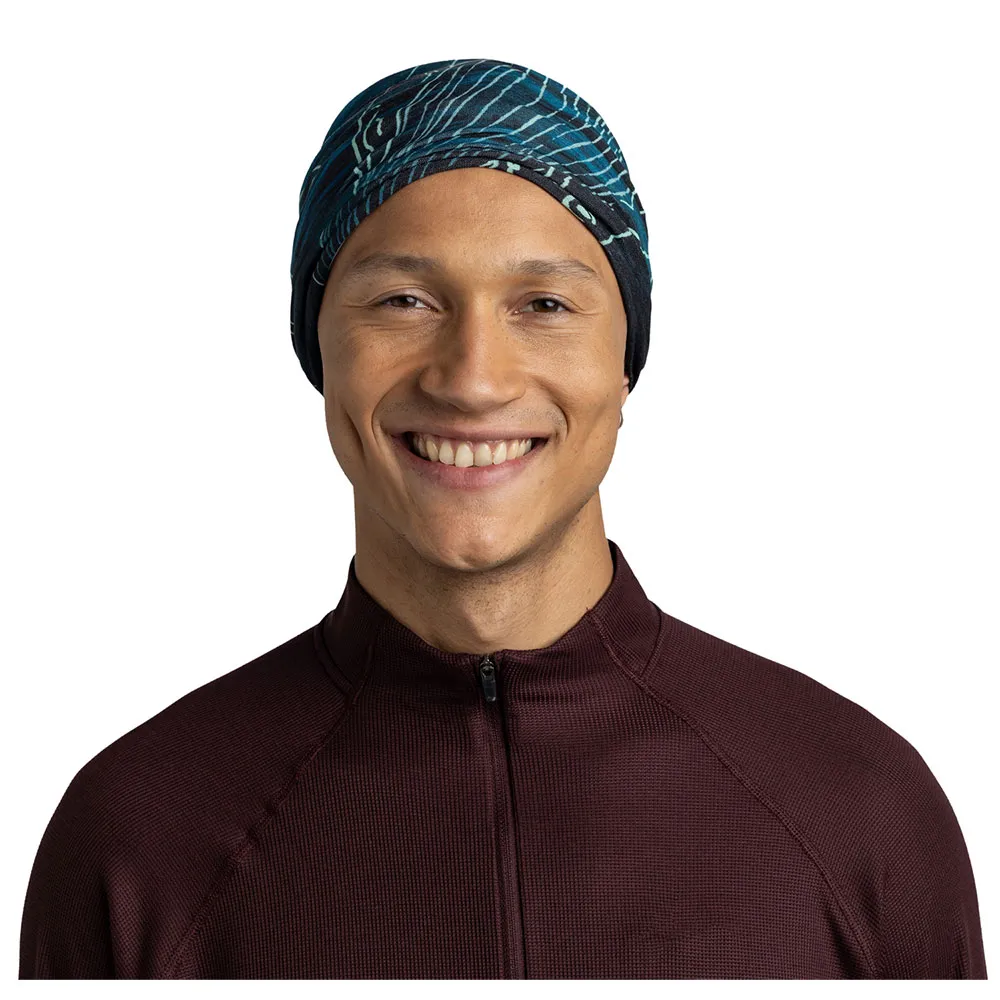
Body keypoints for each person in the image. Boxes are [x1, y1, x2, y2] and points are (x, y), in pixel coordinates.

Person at [19, 58, 986, 980]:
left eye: (545, 304)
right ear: (320, 350)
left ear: (625, 363)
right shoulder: (139, 837)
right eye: (404, 300)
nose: (473, 379)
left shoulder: (859, 810)